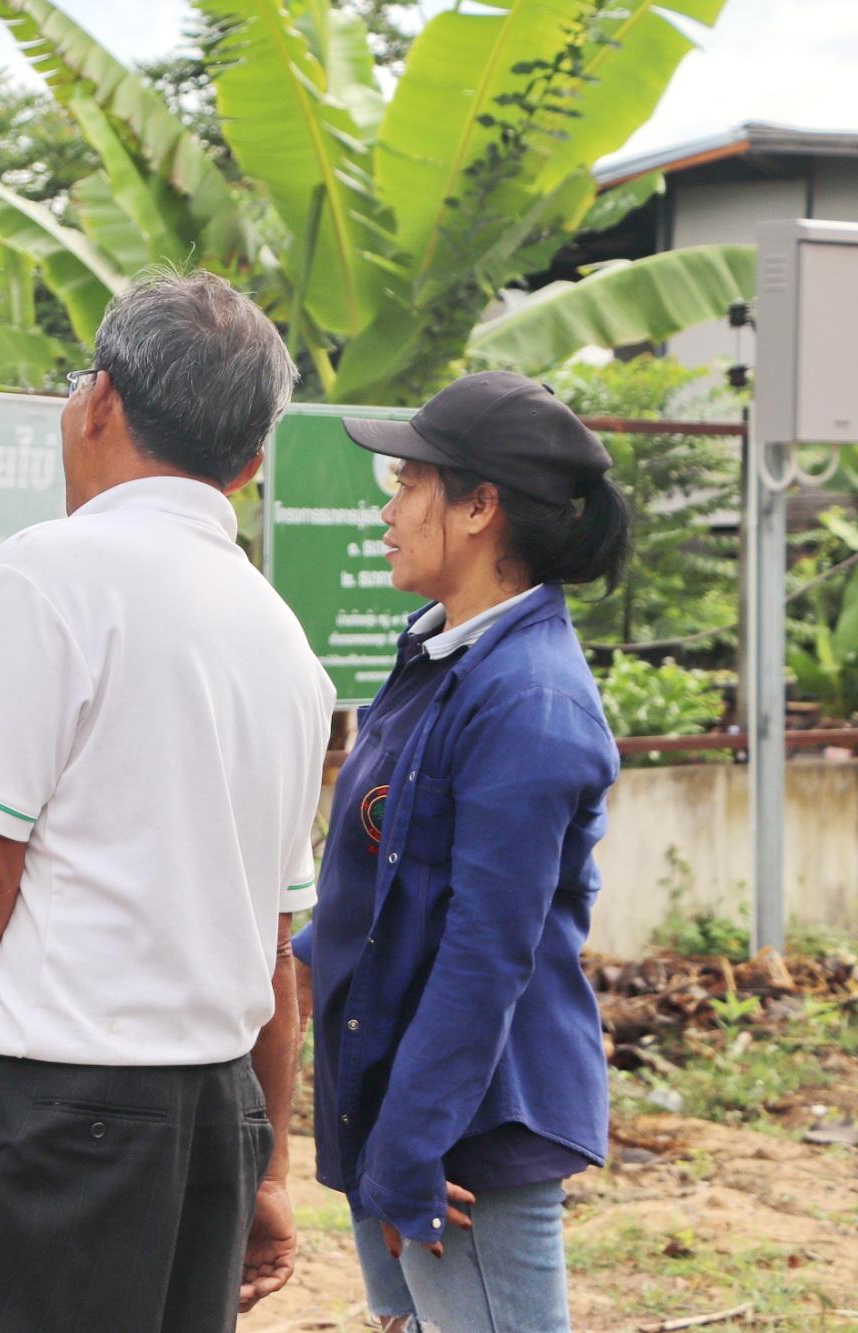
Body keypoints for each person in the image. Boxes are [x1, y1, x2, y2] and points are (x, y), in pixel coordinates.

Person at [0, 269, 336, 1332]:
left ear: (97, 400)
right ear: (249, 464)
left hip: (57, 1114)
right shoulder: (282, 640)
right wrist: (265, 1164)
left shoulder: (52, 572)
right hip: (213, 1113)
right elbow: (275, 950)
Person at [295, 371, 629, 1333]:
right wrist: (302, 964)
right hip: (397, 1083)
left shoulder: (530, 701)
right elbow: (390, 867)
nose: (388, 509)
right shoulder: (442, 649)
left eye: (408, 483)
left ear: (480, 506)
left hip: (463, 1115)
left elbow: (488, 949)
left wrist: (410, 1144)